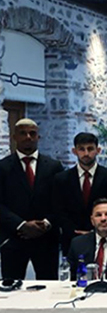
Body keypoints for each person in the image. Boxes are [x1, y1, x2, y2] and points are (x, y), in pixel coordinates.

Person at [0, 119, 64, 279]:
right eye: (23, 133)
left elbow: (60, 201)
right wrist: (22, 225)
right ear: (14, 137)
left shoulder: (54, 166)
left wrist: (46, 223)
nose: (28, 137)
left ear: (38, 137)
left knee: (49, 286)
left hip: (46, 238)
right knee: (12, 286)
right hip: (13, 237)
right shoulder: (2, 167)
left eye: (32, 133)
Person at [54, 132, 107, 256]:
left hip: (103, 236)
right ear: (74, 151)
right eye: (81, 149)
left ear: (98, 150)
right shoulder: (62, 179)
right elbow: (58, 210)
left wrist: (95, 231)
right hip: (71, 239)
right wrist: (74, 231)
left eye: (90, 149)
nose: (86, 153)